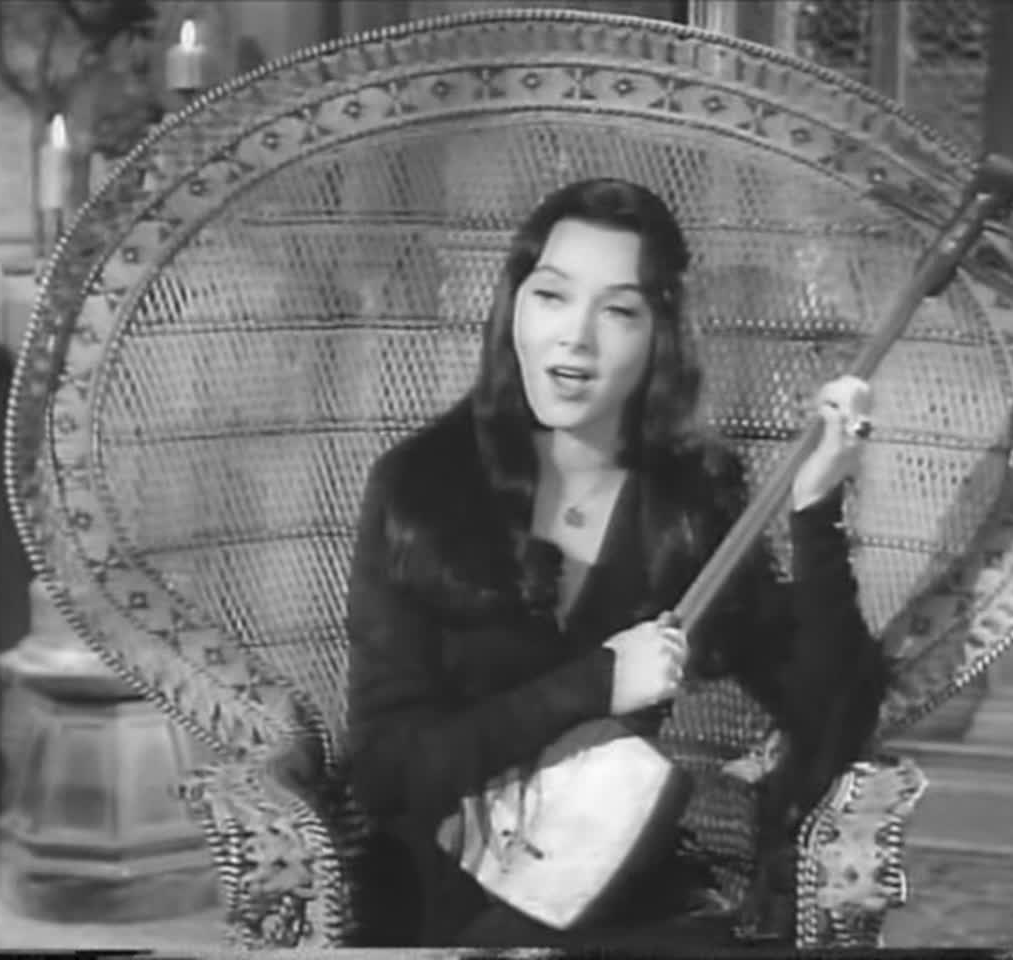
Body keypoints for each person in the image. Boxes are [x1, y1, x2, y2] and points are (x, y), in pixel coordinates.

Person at [342, 178, 887, 948]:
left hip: (620, 885)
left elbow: (829, 712)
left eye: (619, 311)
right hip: (451, 892)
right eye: (552, 296)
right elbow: (387, 772)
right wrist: (597, 682)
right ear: (514, 309)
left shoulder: (690, 501)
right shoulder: (419, 487)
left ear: (659, 336)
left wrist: (816, 507)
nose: (576, 337)